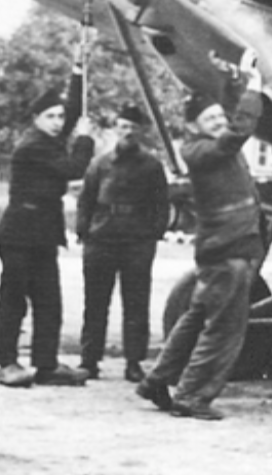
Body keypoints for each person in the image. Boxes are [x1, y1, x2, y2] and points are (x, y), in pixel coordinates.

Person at [135, 50, 268, 421]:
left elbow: (230, 118)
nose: (217, 121)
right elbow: (237, 132)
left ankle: (157, 380)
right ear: (193, 126)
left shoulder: (207, 145)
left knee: (195, 319)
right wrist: (254, 90)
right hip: (229, 253)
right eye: (208, 119)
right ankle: (192, 396)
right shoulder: (202, 151)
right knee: (224, 329)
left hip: (223, 251)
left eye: (218, 117)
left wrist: (234, 77)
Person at [0, 61, 95, 388]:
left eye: (59, 117)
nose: (58, 122)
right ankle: (6, 364)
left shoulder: (48, 139)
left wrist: (79, 71)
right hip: (20, 234)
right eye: (50, 116)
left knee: (50, 302)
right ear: (36, 119)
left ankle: (46, 364)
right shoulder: (34, 145)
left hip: (43, 235)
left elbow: (75, 110)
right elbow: (73, 168)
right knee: (14, 301)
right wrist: (86, 141)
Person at [76, 103, 170, 383]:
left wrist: (153, 233)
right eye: (123, 126)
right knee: (95, 303)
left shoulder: (152, 166)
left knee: (136, 304)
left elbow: (161, 205)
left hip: (136, 242)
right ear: (116, 129)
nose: (127, 132)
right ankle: (89, 361)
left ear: (140, 131)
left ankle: (134, 362)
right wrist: (85, 232)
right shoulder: (100, 164)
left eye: (133, 127)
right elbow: (86, 201)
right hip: (102, 239)